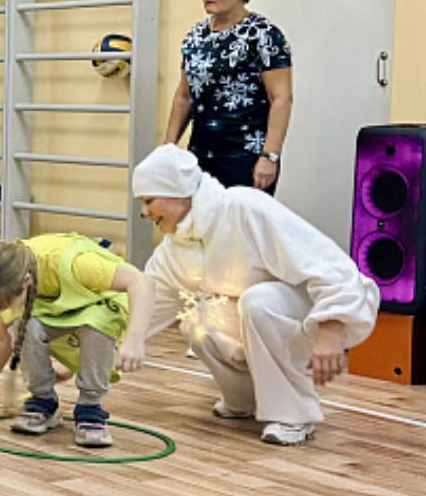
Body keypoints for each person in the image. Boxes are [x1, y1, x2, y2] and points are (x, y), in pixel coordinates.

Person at [130, 143, 378, 446]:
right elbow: (147, 303)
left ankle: (294, 415)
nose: (144, 213)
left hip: (313, 314)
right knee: (198, 318)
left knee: (256, 302)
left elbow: (332, 267)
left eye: (148, 200)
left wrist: (331, 328)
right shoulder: (175, 248)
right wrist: (93, 348)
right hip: (264, 316)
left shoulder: (244, 208)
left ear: (178, 192)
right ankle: (245, 399)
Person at [0, 234, 153, 448]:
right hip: (54, 310)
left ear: (26, 282)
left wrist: (134, 340)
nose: (1, 310)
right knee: (21, 324)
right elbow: (1, 340)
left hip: (100, 306)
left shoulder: (76, 262)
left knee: (97, 324)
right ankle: (43, 401)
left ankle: (90, 408)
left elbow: (142, 282)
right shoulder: (5, 276)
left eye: (3, 304)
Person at [164, 0, 293, 194]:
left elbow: (281, 98)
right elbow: (184, 96)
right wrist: (168, 148)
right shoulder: (195, 36)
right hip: (200, 156)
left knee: (240, 219)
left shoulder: (264, 35)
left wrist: (270, 156)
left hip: (246, 158)